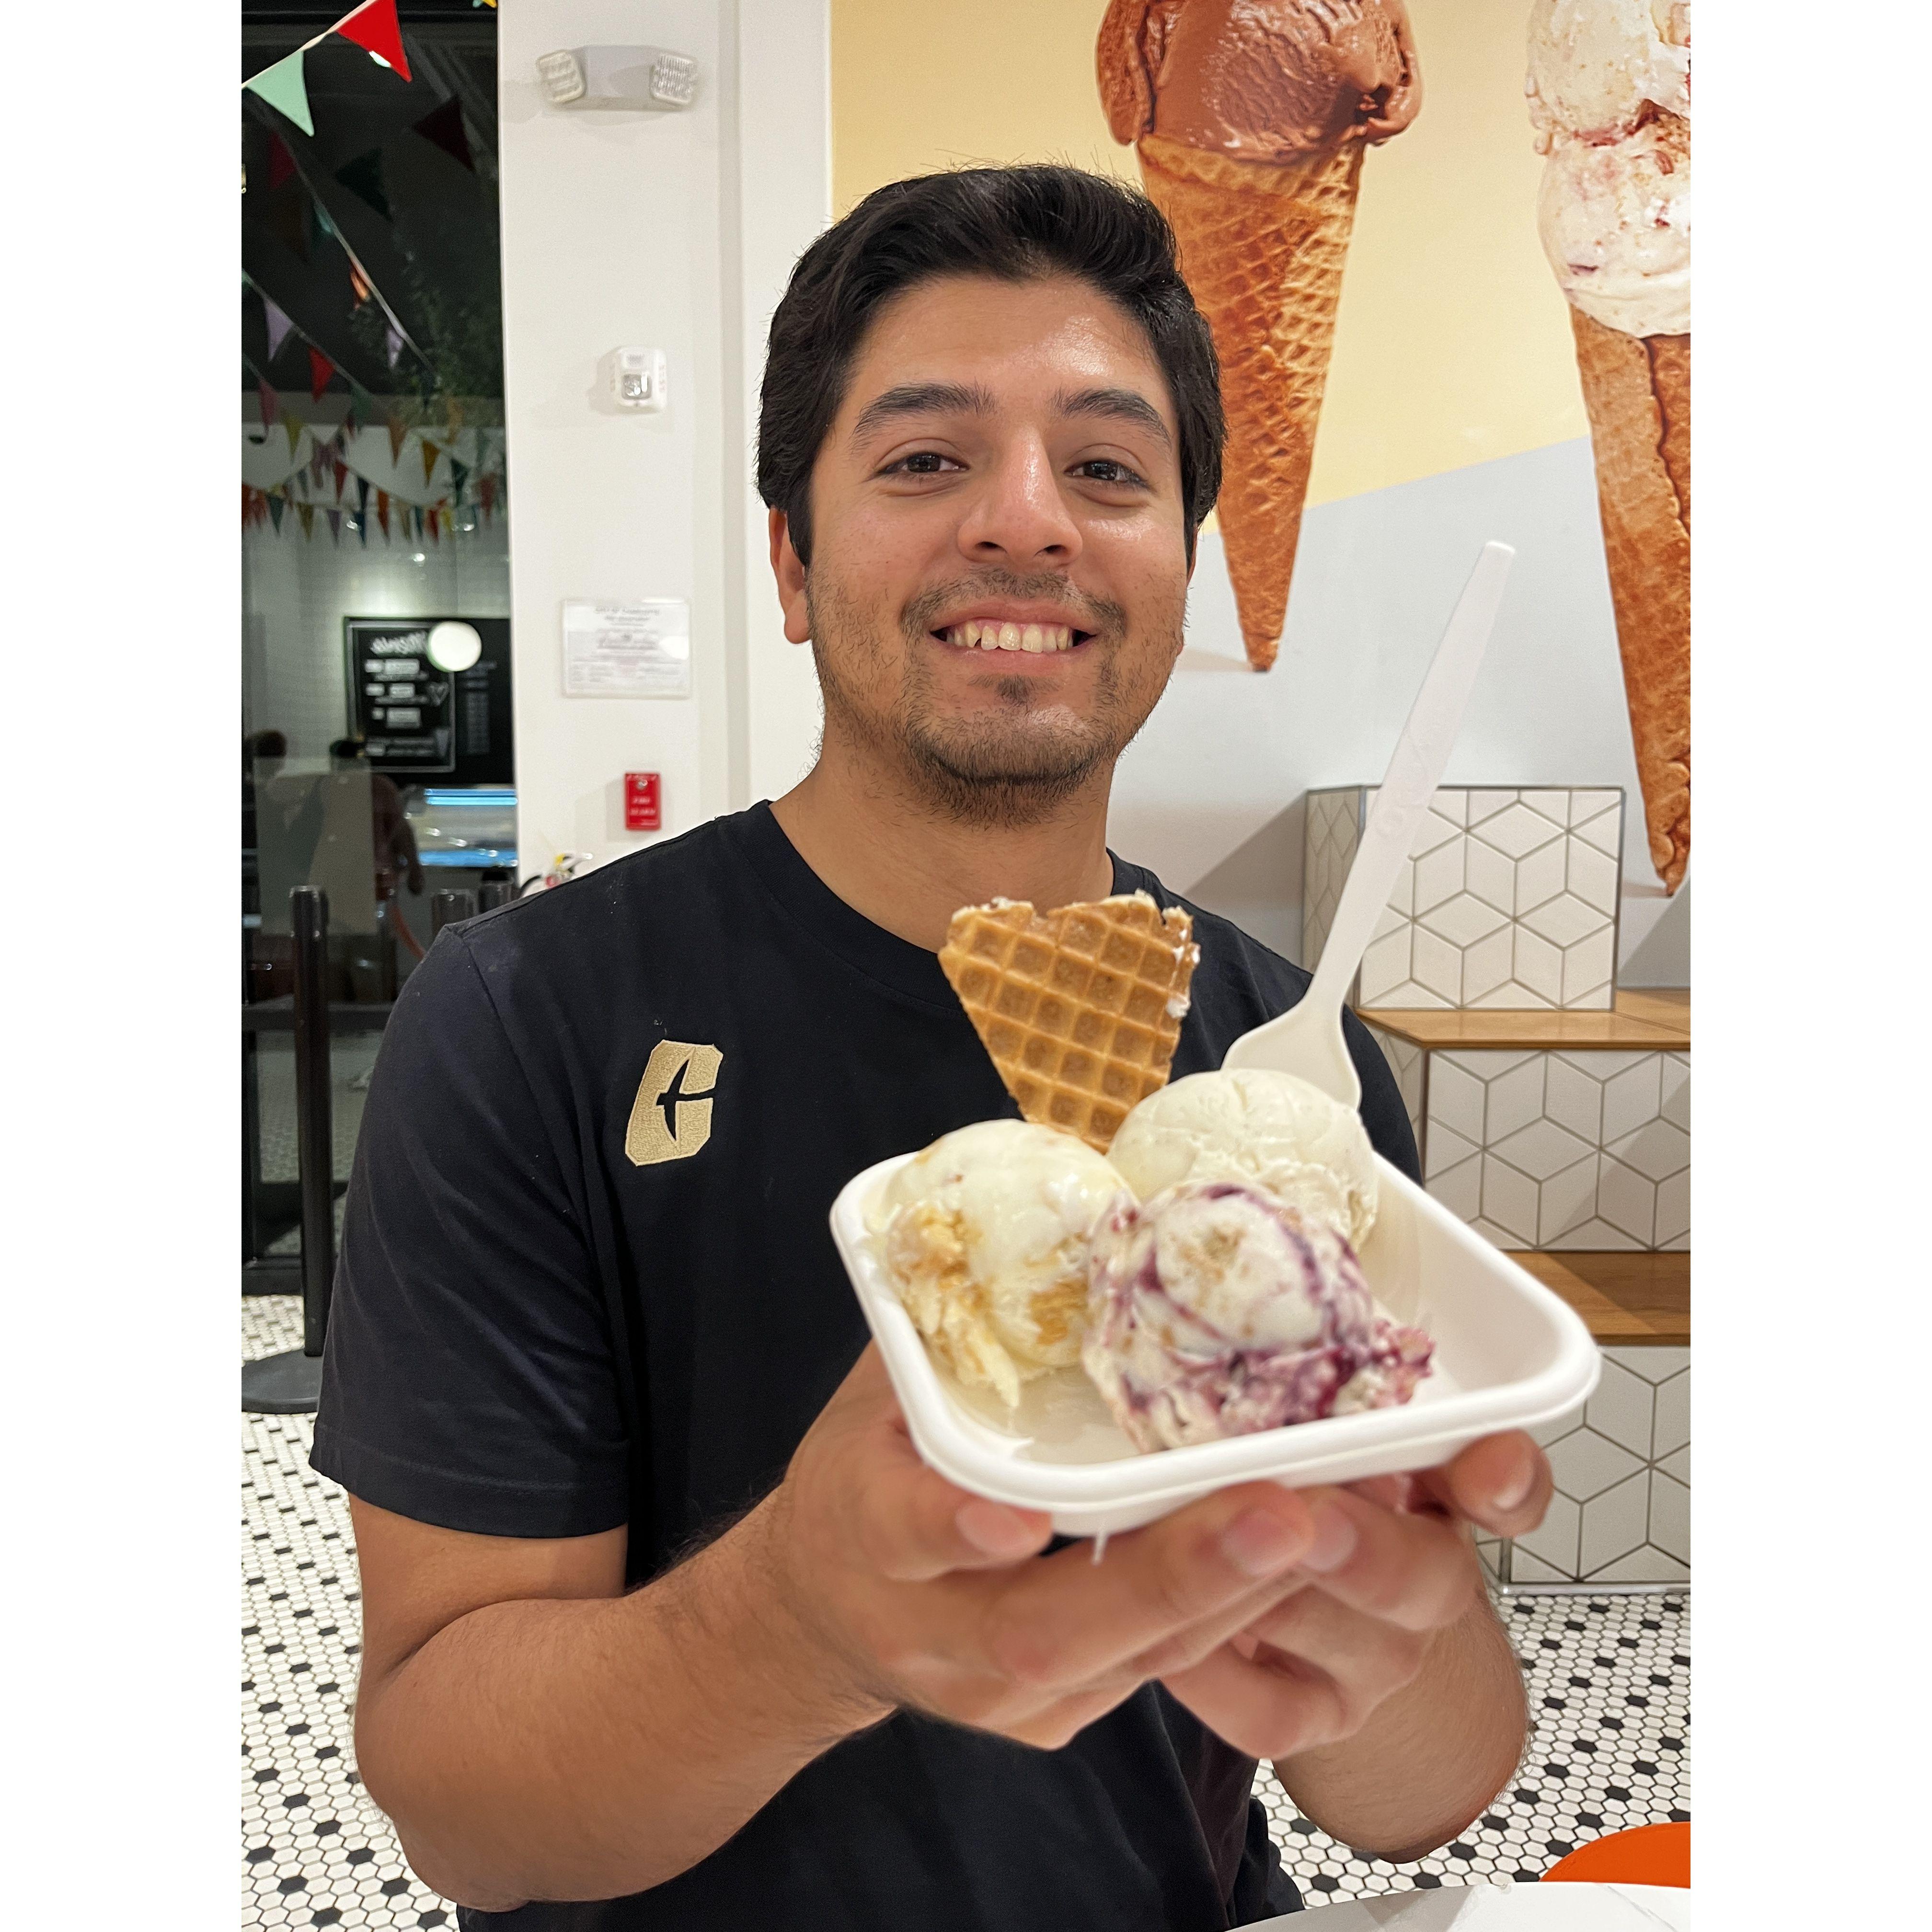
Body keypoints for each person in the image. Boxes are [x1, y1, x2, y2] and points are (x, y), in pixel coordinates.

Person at [313, 165, 1554, 1930]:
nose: (1030, 522)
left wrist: (1362, 1594)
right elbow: (461, 1804)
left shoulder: (1284, 1073)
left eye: (1110, 468)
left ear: (1180, 570)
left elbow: (1431, 1795)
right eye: (924, 458)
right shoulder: (529, 1021)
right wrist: (802, 1622)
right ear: (793, 563)